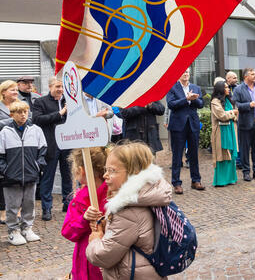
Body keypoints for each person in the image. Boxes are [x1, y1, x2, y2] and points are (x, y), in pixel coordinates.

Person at [86, 142, 172, 280]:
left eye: (112, 170)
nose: (105, 175)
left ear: (133, 172)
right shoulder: (146, 195)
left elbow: (104, 256)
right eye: (105, 169)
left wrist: (95, 240)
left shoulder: (128, 211)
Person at [0, 101, 46, 245]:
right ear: (12, 115)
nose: (23, 115)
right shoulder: (5, 132)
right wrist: (6, 171)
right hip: (11, 177)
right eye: (19, 112)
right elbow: (0, 156)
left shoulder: (36, 130)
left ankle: (27, 228)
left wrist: (38, 166)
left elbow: (42, 150)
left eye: (25, 112)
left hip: (31, 174)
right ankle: (13, 231)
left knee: (29, 203)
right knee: (12, 206)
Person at [61, 147, 109, 280]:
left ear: (81, 170)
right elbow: (67, 231)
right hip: (83, 265)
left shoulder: (111, 195)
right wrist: (84, 220)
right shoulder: (79, 198)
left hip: (100, 264)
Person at [33, 76, 71, 221]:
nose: (60, 90)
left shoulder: (68, 101)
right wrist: (60, 113)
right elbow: (37, 120)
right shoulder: (40, 102)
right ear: (50, 87)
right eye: (57, 87)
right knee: (48, 177)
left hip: (67, 144)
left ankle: (67, 203)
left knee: (68, 175)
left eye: (62, 87)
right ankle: (46, 208)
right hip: (50, 144)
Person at [166, 69, 205, 194]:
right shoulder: (172, 87)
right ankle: (176, 183)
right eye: (183, 72)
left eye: (187, 72)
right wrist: (186, 98)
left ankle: (196, 180)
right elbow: (171, 104)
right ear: (178, 74)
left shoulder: (195, 87)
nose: (186, 74)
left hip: (192, 124)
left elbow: (201, 104)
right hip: (178, 125)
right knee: (177, 155)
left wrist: (193, 99)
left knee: (194, 154)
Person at [233, 68, 255, 182]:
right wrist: (248, 105)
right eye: (252, 74)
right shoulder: (238, 89)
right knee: (245, 149)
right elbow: (236, 104)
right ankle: (246, 172)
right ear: (246, 76)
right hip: (245, 123)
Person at [210, 80, 239, 186]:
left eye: (228, 87)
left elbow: (235, 114)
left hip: (230, 130)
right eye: (226, 87)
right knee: (222, 154)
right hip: (220, 133)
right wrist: (233, 113)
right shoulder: (215, 102)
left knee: (230, 153)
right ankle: (221, 180)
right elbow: (221, 116)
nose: (228, 89)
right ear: (220, 89)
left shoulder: (228, 100)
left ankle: (231, 179)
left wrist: (233, 114)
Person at [0, 80, 20, 224]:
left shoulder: (20, 105)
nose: (15, 92)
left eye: (16, 90)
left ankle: (18, 210)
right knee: (3, 180)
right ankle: (2, 212)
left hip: (18, 147)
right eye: (12, 90)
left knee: (18, 179)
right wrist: (14, 120)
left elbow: (30, 121)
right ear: (3, 92)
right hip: (2, 147)